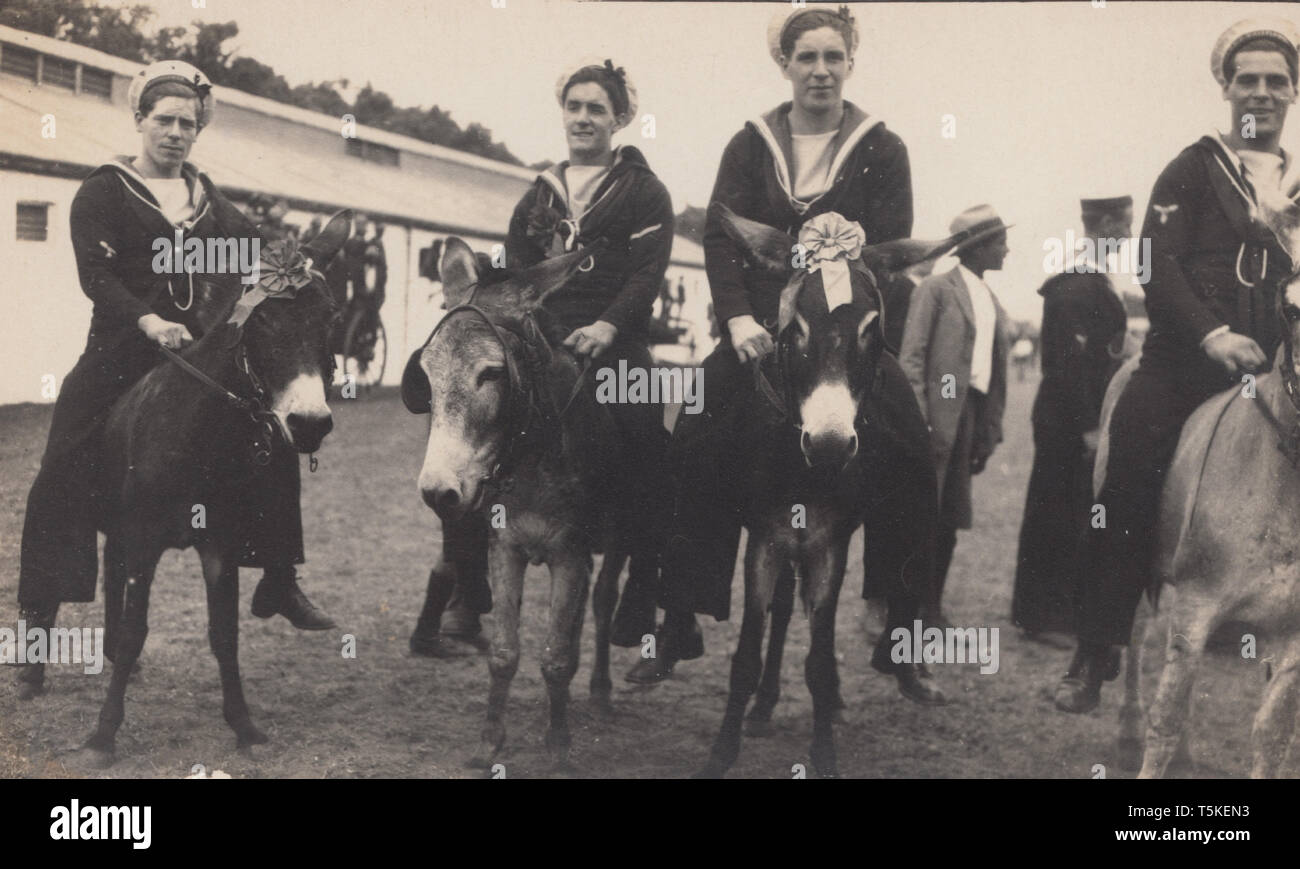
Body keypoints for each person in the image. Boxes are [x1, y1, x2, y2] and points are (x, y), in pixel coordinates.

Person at [15, 61, 334, 697]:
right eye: (164, 120)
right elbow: (95, 279)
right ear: (139, 120)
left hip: (203, 361)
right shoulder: (104, 192)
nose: (176, 133)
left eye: (188, 123)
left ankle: (279, 576)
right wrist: (147, 319)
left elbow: (267, 263)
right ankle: (35, 629)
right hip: (120, 352)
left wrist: (300, 268)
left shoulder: (219, 210)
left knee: (272, 435)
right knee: (58, 475)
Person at [656, 4, 946, 702]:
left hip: (841, 334)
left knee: (913, 450)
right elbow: (721, 237)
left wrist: (848, 327)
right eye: (806, 58)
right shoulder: (749, 144)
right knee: (691, 426)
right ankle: (678, 614)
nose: (820, 70)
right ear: (785, 66)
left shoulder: (885, 147)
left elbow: (884, 253)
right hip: (758, 329)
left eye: (833, 58)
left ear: (850, 63)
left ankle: (899, 634)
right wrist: (738, 320)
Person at [407, 58, 701, 671]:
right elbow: (517, 277)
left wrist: (608, 325)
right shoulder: (538, 194)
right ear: (563, 114)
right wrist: (521, 328)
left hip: (615, 344)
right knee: (474, 428)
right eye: (575, 107)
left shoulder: (645, 191)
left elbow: (647, 274)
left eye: (598, 108)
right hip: (540, 342)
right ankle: (468, 587)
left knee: (650, 435)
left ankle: (644, 591)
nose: (584, 118)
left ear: (620, 118)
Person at [1055, 19, 1299, 713]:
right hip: (1185, 363)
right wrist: (1214, 333)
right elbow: (1155, 268)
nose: (1260, 92)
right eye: (1246, 79)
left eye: (1274, 81)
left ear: (1294, 90)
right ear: (1225, 87)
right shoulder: (1191, 169)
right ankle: (1096, 645)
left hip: (1282, 372)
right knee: (1130, 463)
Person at [1011, 197, 1131, 646]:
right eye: (1123, 228)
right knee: (1057, 511)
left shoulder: (1093, 282)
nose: (1127, 237)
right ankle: (1044, 617)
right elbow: (1070, 365)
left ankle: (1059, 611)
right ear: (1103, 227)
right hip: (1068, 417)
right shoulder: (1076, 286)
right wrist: (1088, 426)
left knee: (1072, 509)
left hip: (1078, 413)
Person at [899, 205, 1011, 625]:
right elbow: (912, 357)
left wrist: (989, 428)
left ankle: (931, 605)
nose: (1007, 250)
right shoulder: (937, 289)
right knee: (922, 516)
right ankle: (905, 608)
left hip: (972, 415)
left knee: (950, 517)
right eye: (1000, 241)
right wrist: (921, 420)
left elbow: (993, 371)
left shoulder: (990, 298)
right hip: (937, 419)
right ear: (979, 248)